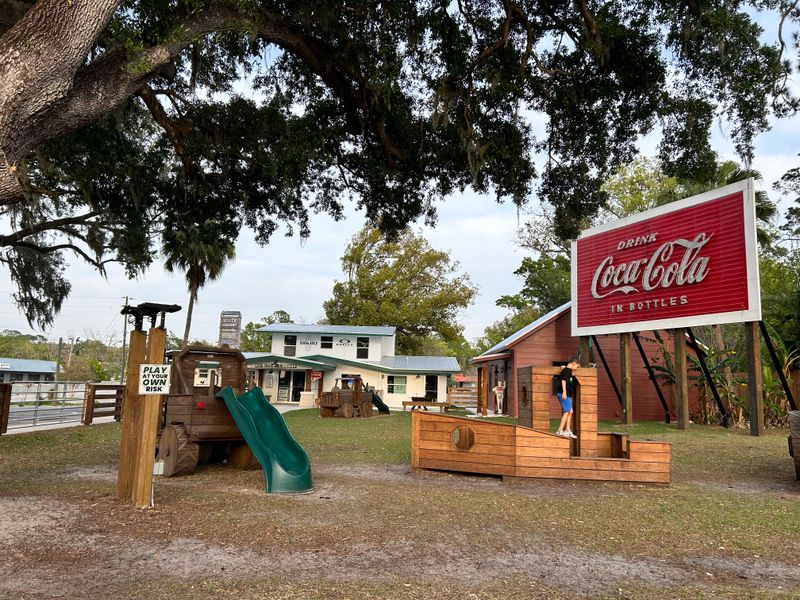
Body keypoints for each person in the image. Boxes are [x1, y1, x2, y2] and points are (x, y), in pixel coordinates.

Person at [556, 357, 579, 439]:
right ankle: (560, 430)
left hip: (567, 395)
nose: (577, 368)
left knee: (570, 411)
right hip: (565, 394)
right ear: (573, 363)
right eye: (577, 366)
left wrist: (563, 369)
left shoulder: (566, 370)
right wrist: (564, 392)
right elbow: (563, 381)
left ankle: (568, 430)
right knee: (567, 412)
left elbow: (562, 377)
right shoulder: (568, 370)